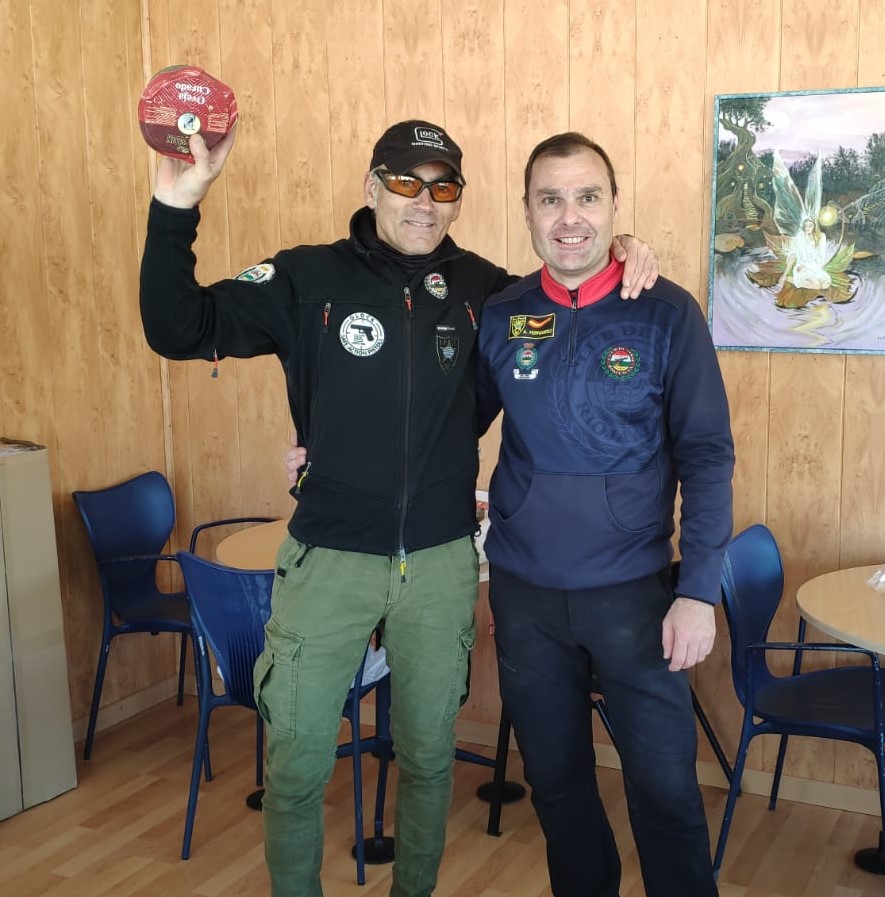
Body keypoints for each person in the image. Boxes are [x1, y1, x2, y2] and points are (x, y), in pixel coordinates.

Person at [139, 119, 657, 897]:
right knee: (296, 761)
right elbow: (177, 327)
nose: (424, 201)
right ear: (372, 186)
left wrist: (624, 252)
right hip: (329, 558)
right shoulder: (307, 278)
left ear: (459, 199)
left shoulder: (486, 292)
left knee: (427, 759)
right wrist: (176, 206)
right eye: (406, 182)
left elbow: (571, 301)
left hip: (442, 562)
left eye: (443, 187)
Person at [475, 132, 734, 897]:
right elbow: (442, 425)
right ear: (526, 210)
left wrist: (699, 592)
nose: (570, 218)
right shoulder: (502, 314)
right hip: (525, 596)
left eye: (587, 197)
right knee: (557, 786)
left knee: (666, 789)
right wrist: (326, 447)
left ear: (614, 205)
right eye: (550, 199)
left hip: (636, 596)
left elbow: (707, 456)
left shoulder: (667, 313)